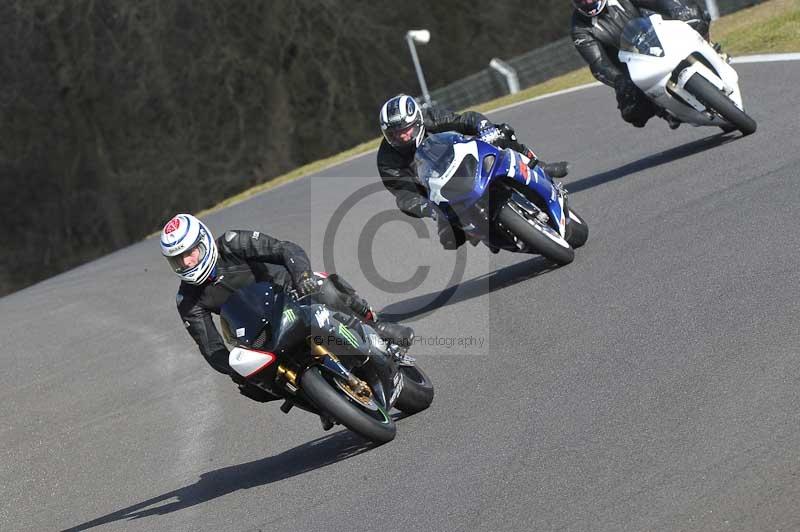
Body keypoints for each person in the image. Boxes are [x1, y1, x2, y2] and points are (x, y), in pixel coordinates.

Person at [160, 213, 413, 403]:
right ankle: (315, 400)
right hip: (260, 337)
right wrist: (233, 369)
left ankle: (374, 325)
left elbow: (285, 249)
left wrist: (302, 277)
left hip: (292, 295)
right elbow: (210, 346)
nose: (186, 262)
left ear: (203, 242)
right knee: (251, 387)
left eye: (190, 252)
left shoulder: (232, 243)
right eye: (177, 259)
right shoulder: (187, 299)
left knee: (322, 285)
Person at [377, 94, 570, 250]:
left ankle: (540, 166)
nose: (402, 136)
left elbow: (464, 120)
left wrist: (484, 127)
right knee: (450, 240)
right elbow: (403, 194)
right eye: (394, 134)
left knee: (503, 133)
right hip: (438, 194)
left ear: (417, 122)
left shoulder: (430, 117)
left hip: (464, 162)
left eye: (406, 130)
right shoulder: (387, 159)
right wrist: (427, 208)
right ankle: (494, 235)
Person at [571, 0, 715, 128]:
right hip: (630, 65)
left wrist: (680, 11)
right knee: (632, 111)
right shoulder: (579, 29)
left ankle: (710, 49)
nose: (587, 2)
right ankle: (665, 111)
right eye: (581, 0)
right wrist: (619, 80)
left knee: (696, 15)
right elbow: (598, 62)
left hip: (659, 36)